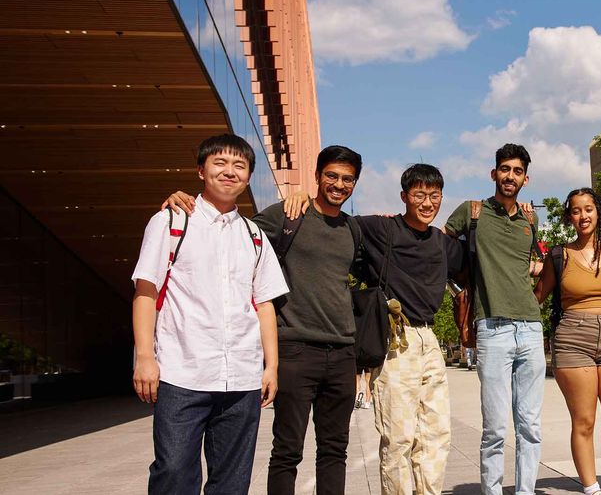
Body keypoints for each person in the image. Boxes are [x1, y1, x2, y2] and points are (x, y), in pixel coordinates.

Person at [163, 145, 366, 495]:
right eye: (331, 175)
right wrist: (183, 201)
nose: (339, 184)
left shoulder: (353, 229)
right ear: (317, 176)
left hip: (343, 352)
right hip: (295, 350)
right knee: (287, 450)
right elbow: (227, 230)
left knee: (335, 450)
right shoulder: (286, 216)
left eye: (347, 179)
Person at [281, 163, 467, 494]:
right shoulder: (381, 230)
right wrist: (304, 198)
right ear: (404, 197)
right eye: (419, 194)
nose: (427, 202)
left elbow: (478, 256)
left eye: (435, 195)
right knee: (398, 438)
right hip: (397, 339)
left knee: (437, 436)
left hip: (430, 341)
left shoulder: (442, 243)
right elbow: (333, 217)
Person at [132, 134, 289, 493]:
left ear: (249, 177)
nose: (229, 172)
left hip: (242, 378)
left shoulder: (254, 235)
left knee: (232, 481)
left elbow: (264, 304)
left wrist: (271, 367)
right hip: (182, 374)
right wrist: (144, 357)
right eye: (220, 163)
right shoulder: (171, 223)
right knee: (173, 473)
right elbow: (145, 291)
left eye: (240, 166)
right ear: (201, 170)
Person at [444, 144, 545, 495]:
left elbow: (531, 265)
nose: (510, 176)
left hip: (531, 328)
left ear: (525, 178)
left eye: (517, 171)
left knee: (530, 425)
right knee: (495, 428)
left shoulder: (531, 219)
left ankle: (526, 491)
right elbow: (435, 249)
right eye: (505, 169)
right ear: (494, 173)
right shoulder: (472, 212)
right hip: (492, 329)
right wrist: (456, 290)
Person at [533, 188, 601, 495]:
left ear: (598, 212)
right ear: (569, 217)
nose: (583, 216)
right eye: (576, 211)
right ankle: (591, 490)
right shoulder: (558, 255)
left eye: (588, 209)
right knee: (584, 421)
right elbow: (537, 297)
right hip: (573, 338)